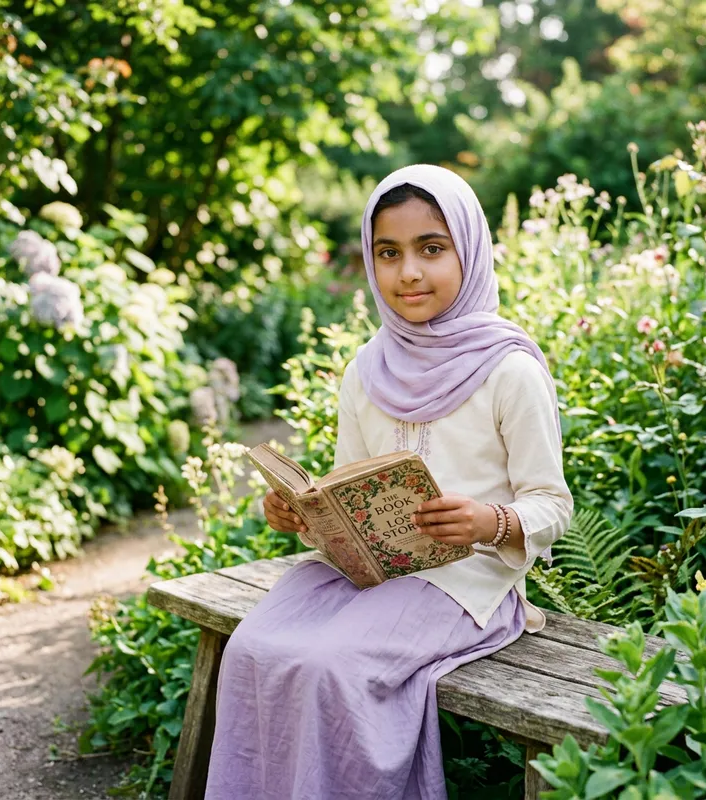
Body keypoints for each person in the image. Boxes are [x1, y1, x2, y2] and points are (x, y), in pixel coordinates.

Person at [204, 164, 573, 800]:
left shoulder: (510, 369)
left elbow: (553, 503)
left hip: (467, 584)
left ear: (470, 250)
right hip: (370, 576)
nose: (408, 272)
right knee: (252, 650)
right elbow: (347, 486)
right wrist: (304, 512)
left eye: (432, 248)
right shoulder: (367, 367)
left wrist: (495, 521)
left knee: (332, 667)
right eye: (388, 252)